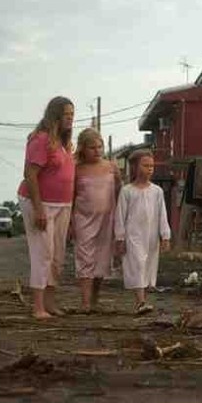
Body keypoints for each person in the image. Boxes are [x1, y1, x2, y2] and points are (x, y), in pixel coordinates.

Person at [17, 96, 76, 319]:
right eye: (66, 114)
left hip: (63, 205)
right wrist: (39, 209)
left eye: (72, 114)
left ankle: (50, 303)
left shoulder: (63, 144)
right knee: (43, 253)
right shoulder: (41, 139)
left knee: (58, 255)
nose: (70, 118)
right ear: (55, 115)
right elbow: (30, 174)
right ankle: (38, 307)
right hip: (39, 203)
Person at [114, 150, 171, 314]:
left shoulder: (157, 191)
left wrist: (165, 236)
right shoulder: (127, 191)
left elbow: (162, 214)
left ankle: (142, 300)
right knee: (137, 264)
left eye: (152, 166)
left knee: (147, 266)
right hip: (134, 235)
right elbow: (120, 215)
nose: (150, 169)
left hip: (151, 236)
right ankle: (140, 301)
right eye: (145, 165)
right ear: (135, 167)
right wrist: (120, 237)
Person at [72, 128, 122, 312]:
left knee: (102, 259)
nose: (97, 150)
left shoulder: (111, 167)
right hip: (83, 218)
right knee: (85, 258)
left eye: (100, 147)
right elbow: (71, 196)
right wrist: (70, 223)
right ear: (83, 148)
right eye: (92, 147)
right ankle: (85, 302)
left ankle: (95, 298)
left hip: (107, 219)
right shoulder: (77, 169)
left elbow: (119, 191)